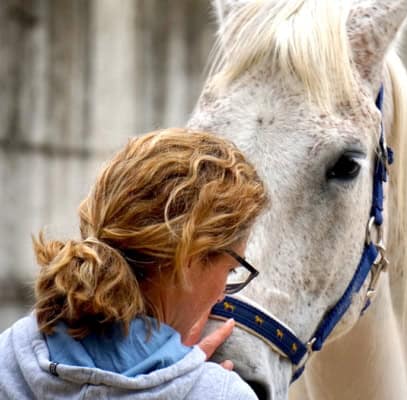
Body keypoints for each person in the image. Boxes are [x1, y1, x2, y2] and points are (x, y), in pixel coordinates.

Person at [0, 128, 268, 399]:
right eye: (230, 270)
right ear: (190, 258)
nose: (222, 294)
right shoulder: (222, 394)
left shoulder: (8, 359)